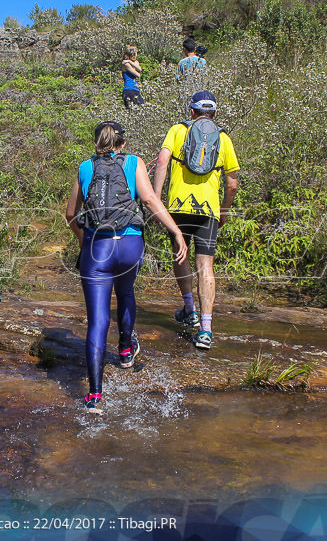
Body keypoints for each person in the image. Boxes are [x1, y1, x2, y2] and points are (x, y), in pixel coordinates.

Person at [65, 121, 188, 413]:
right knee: (126, 292)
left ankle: (95, 396)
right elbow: (149, 199)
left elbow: (71, 214)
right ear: (123, 143)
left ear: (96, 143)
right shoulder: (133, 163)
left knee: (97, 321)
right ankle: (124, 350)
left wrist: (86, 241)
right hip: (130, 246)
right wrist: (176, 232)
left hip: (98, 249)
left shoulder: (85, 167)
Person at [152, 91, 239, 351]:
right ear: (214, 113)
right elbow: (232, 184)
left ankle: (189, 308)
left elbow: (162, 160)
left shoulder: (177, 131)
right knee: (206, 266)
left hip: (177, 206)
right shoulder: (223, 139)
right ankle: (206, 329)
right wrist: (223, 210)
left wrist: (157, 199)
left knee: (181, 255)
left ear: (191, 111)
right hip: (208, 210)